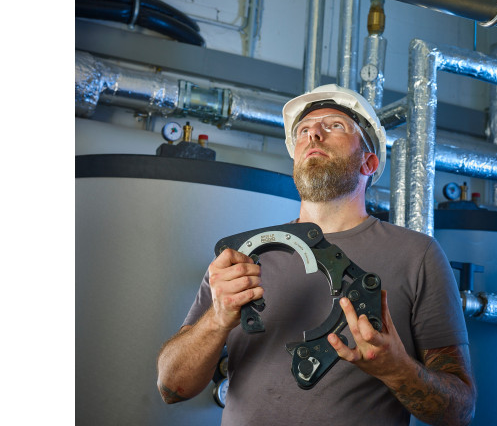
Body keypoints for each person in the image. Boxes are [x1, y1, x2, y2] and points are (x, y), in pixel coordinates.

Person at [156, 84, 476, 425]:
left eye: (335, 126)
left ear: (369, 162)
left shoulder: (417, 255)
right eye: (303, 131)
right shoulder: (242, 259)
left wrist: (395, 369)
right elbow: (172, 388)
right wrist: (217, 319)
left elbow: (460, 411)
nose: (313, 135)